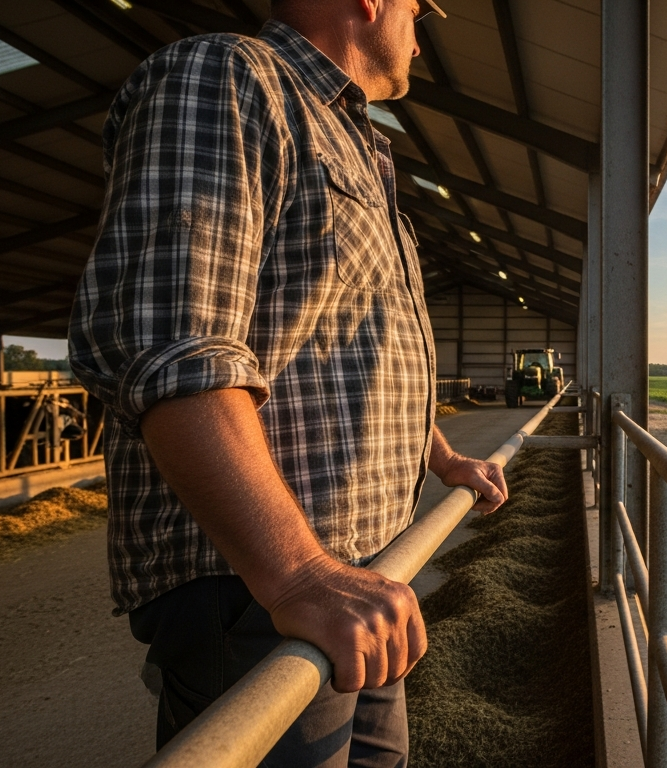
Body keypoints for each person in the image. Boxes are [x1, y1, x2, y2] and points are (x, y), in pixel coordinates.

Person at [67, 1, 506, 765]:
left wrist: (444, 459)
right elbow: (176, 344)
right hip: (260, 583)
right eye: (419, 11)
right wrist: (297, 573)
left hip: (362, 574)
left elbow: (358, 352)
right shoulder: (227, 76)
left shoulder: (356, 147)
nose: (420, 39)